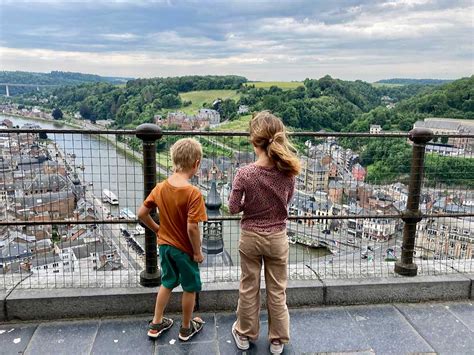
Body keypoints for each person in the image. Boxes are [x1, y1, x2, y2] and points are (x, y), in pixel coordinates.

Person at [228, 111, 300, 354]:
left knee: (249, 287)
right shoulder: (288, 172)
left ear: (253, 140)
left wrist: (248, 201)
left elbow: (233, 207)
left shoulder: (245, 173)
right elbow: (286, 201)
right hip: (277, 237)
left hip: (250, 237)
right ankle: (278, 339)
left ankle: (245, 334)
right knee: (277, 290)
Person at [137, 138, 207, 341]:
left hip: (165, 247)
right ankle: (186, 327)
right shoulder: (193, 193)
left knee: (167, 282)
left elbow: (142, 214)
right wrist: (197, 252)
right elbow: (192, 227)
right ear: (196, 164)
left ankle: (156, 323)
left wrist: (158, 230)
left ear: (173, 160)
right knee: (190, 287)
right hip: (185, 250)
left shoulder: (160, 187)